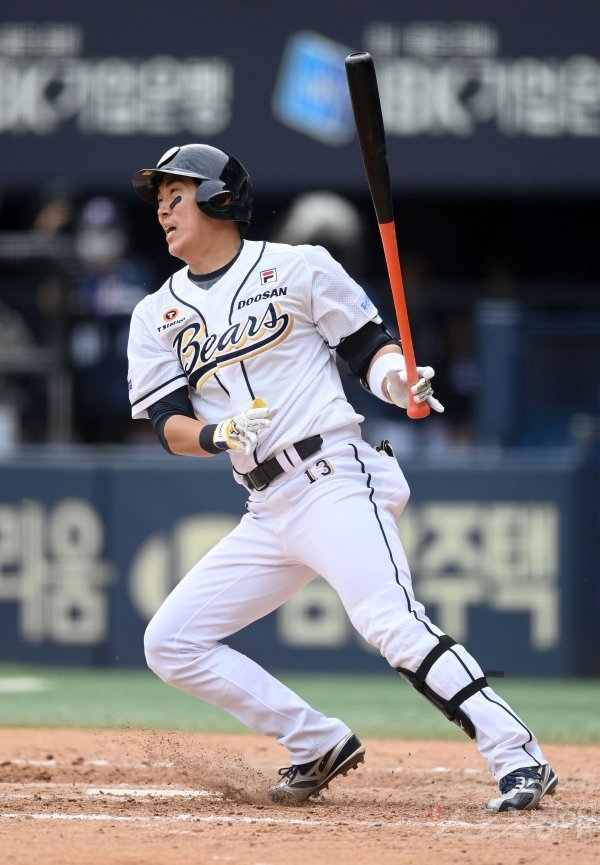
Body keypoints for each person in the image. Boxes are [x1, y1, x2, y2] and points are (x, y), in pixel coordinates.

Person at [127, 144, 557, 812]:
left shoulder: (298, 266)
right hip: (266, 505)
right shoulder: (156, 313)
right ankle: (317, 741)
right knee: (171, 643)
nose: (162, 211)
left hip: (331, 477)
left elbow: (368, 349)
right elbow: (167, 424)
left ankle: (518, 755)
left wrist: (400, 382)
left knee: (391, 622)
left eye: (175, 195)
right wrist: (216, 434)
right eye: (159, 200)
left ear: (218, 199)